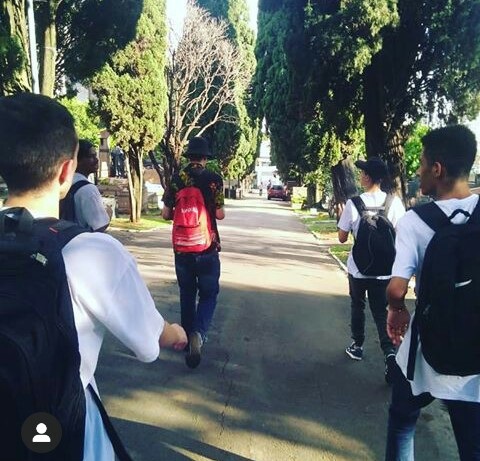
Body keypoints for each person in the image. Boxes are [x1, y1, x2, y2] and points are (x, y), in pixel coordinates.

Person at [0, 93, 187, 460]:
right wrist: (175, 333)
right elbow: (149, 342)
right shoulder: (91, 252)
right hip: (61, 438)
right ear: (66, 171)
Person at [385, 125, 480, 460]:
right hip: (475, 351)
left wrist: (397, 310)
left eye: (422, 163)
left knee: (402, 421)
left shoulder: (415, 221)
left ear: (437, 169)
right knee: (472, 444)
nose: (417, 171)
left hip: (427, 349)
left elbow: (397, 287)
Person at [337, 157, 405, 383]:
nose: (360, 175)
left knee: (357, 305)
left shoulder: (353, 203)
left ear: (367, 177)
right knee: (381, 312)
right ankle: (390, 354)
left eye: (363, 173)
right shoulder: (394, 203)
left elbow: (342, 237)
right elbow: (402, 235)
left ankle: (357, 346)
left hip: (358, 269)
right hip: (385, 270)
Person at [162, 136, 225, 369]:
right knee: (209, 294)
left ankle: (187, 340)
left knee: (187, 293)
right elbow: (219, 215)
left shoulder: (177, 178)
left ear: (189, 157)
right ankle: (199, 332)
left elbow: (165, 214)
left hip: (182, 249)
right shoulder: (214, 179)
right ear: (205, 158)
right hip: (207, 247)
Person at [60, 139, 110, 232]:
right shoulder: (88, 189)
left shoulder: (62, 183)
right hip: (79, 238)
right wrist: (109, 214)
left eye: (95, 156)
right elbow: (100, 225)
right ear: (77, 160)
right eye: (91, 156)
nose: (96, 160)